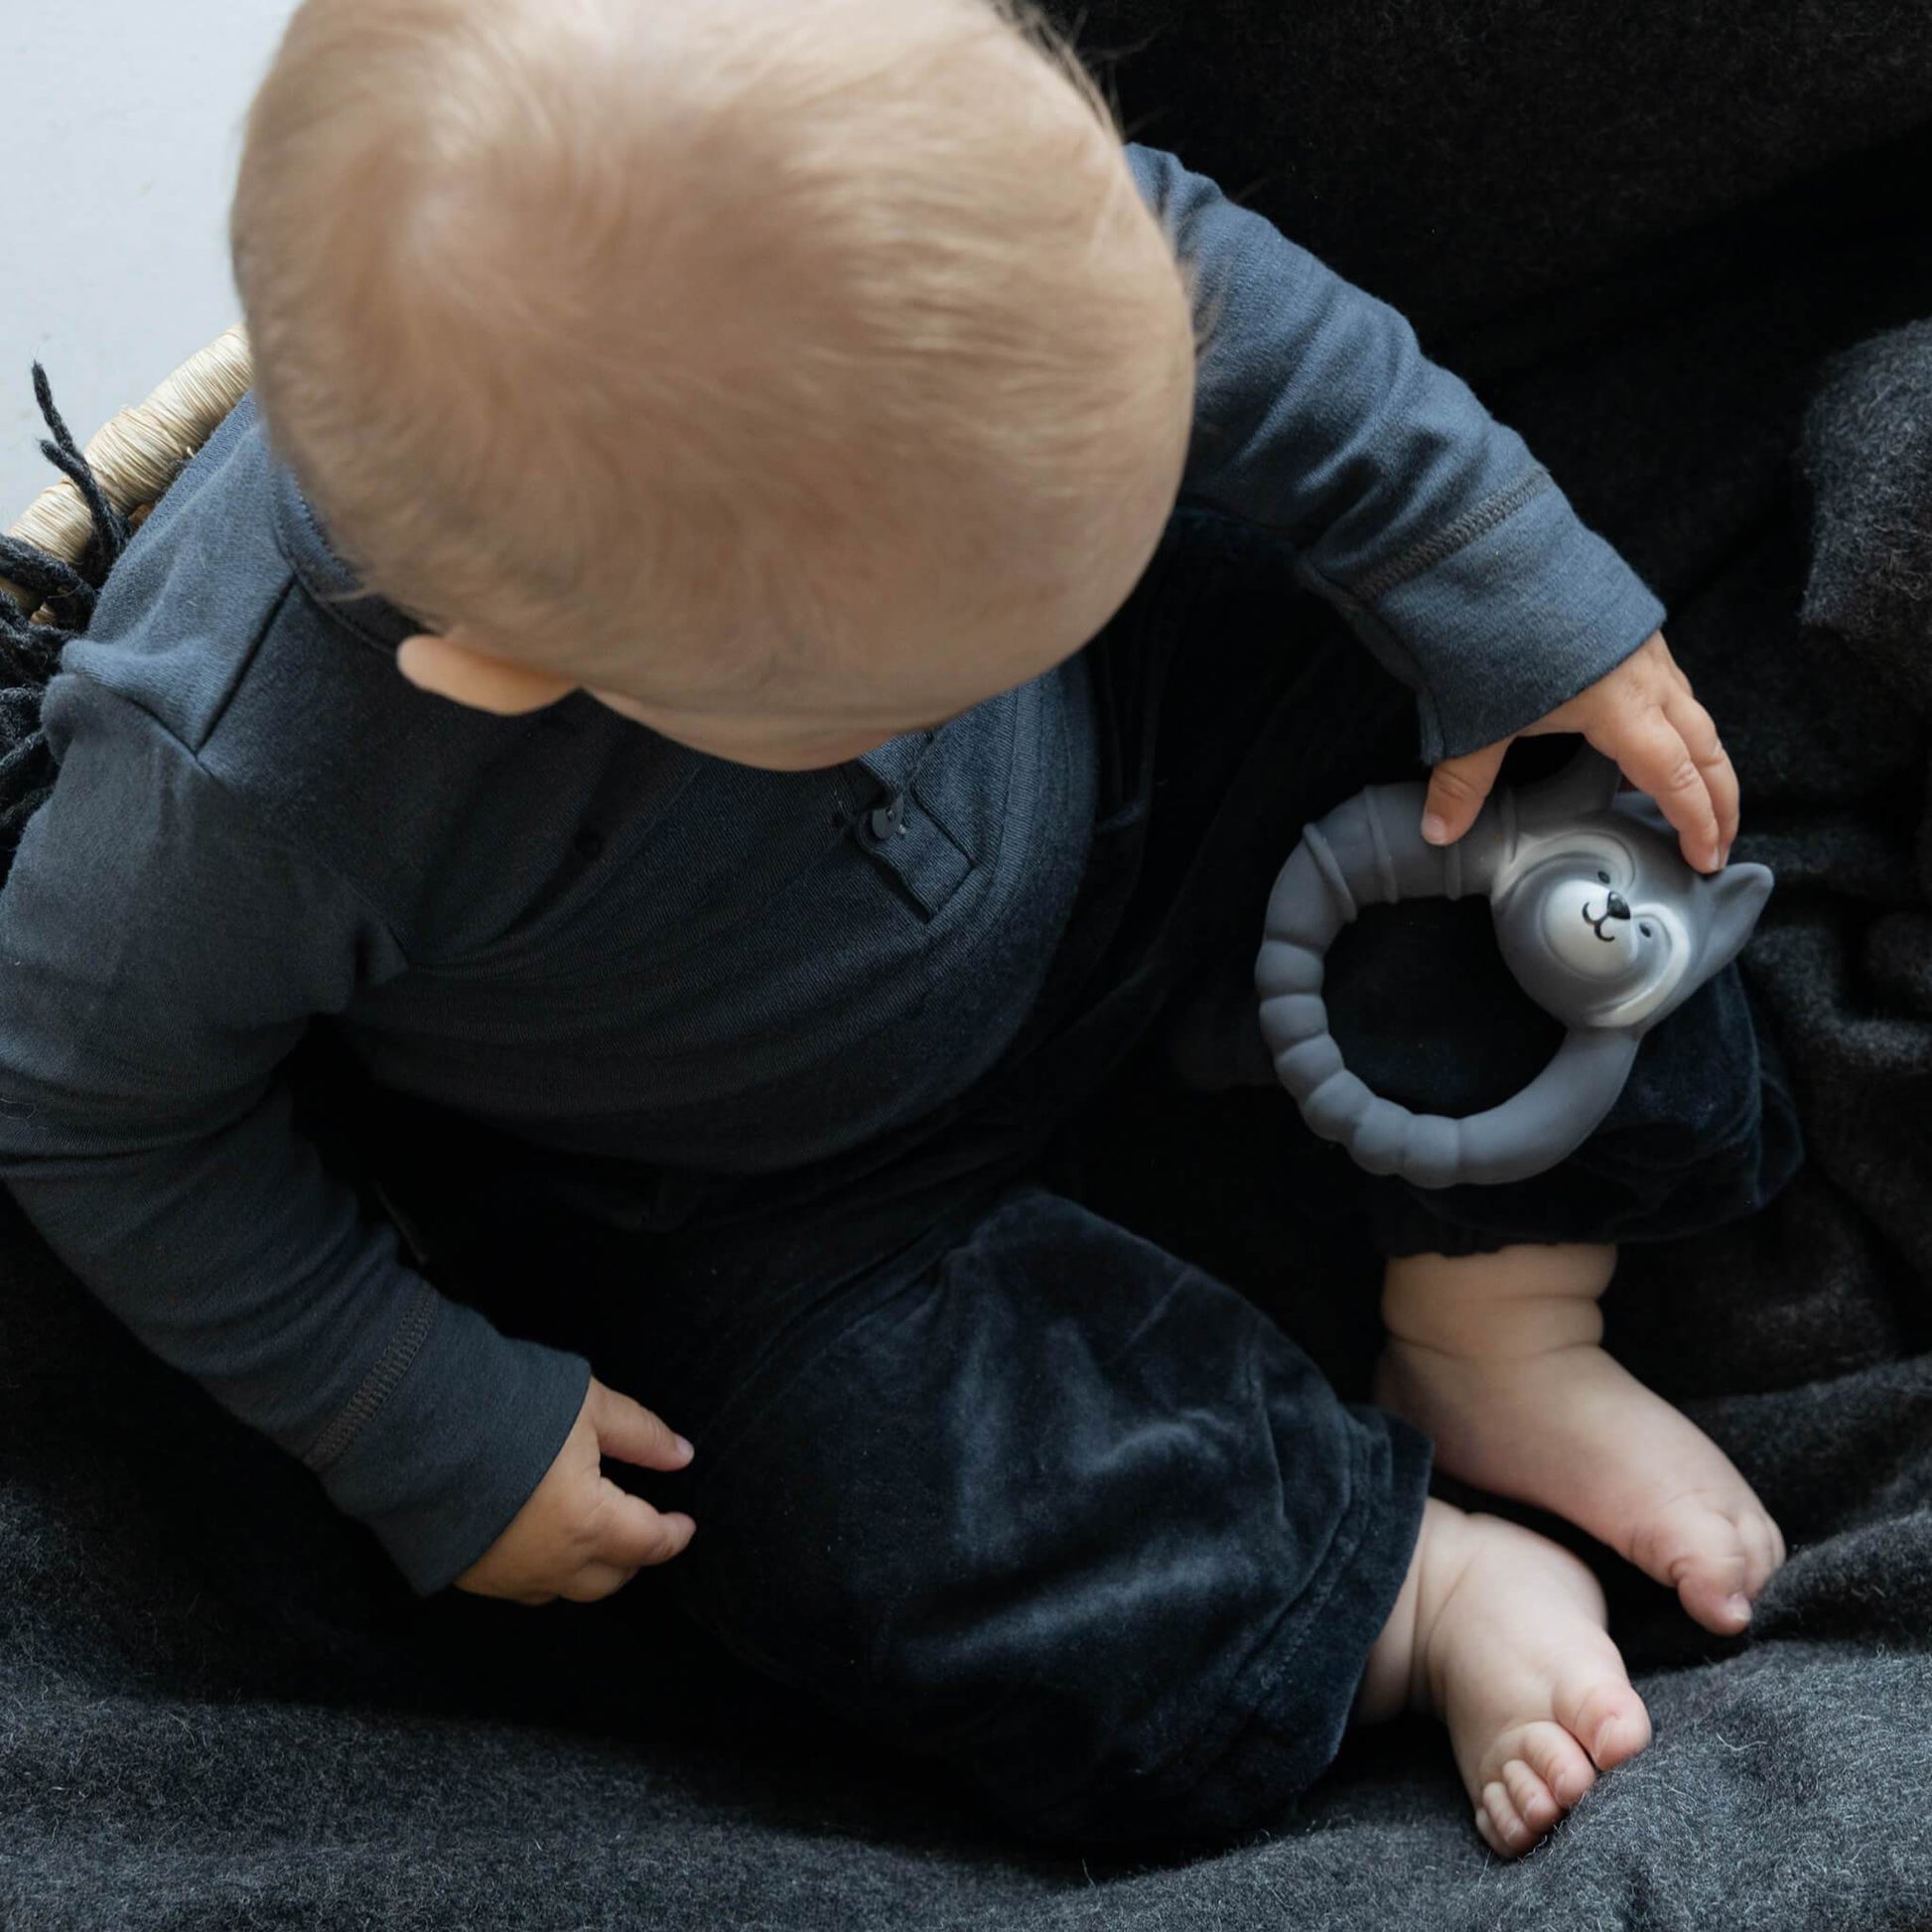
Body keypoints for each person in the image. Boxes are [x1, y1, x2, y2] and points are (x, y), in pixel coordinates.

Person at [0, 0, 1798, 1859]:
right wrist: (409, 1404)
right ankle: (1403, 1586)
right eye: (916, 686)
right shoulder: (237, 778)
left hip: (1138, 776)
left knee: (1561, 794)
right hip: (756, 1184)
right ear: (515, 667)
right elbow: (89, 1110)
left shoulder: (962, 221)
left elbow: (1235, 314)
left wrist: (1480, 565)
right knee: (826, 1511)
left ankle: (1501, 1312)